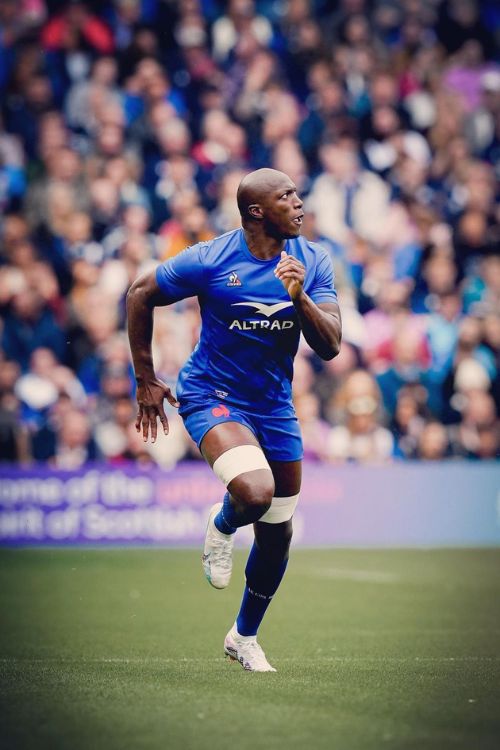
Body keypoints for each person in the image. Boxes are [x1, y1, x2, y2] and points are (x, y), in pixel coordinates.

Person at [126, 168, 342, 671]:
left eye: (298, 192)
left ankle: (243, 637)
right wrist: (145, 378)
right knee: (254, 492)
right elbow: (140, 293)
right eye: (286, 195)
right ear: (256, 212)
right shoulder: (210, 258)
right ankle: (221, 523)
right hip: (211, 394)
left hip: (274, 405)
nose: (299, 202)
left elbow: (330, 346)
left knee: (277, 532)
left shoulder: (312, 260)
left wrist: (300, 297)